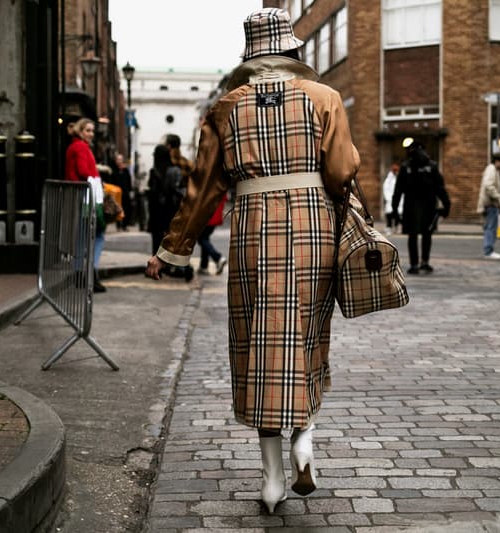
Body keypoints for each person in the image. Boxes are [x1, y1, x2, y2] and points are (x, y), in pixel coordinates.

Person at [145, 7, 360, 512]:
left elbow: (201, 189)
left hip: (253, 230)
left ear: (250, 56)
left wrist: (172, 249)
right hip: (313, 229)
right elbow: (343, 168)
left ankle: (270, 478)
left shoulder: (225, 108)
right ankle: (304, 440)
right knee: (305, 334)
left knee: (258, 342)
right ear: (291, 50)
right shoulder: (324, 97)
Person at [392, 142, 450, 274]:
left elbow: (398, 191)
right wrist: (447, 205)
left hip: (411, 206)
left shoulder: (406, 167)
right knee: (427, 234)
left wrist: (395, 209)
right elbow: (440, 189)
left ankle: (414, 264)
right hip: (429, 205)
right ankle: (425, 262)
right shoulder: (432, 166)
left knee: (413, 236)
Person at [64, 117, 106, 293]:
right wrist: (97, 176)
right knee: (97, 234)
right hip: (85, 195)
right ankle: (91, 272)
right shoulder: (81, 147)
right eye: (87, 130)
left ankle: (80, 272)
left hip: (79, 195)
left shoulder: (75, 146)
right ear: (80, 131)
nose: (91, 134)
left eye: (92, 131)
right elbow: (83, 171)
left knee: (82, 235)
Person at [477, 153, 500, 259]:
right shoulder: (492, 169)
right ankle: (489, 251)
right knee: (491, 228)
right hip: (491, 204)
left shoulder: (493, 170)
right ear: (497, 161)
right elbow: (488, 185)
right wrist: (497, 197)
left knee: (489, 227)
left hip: (489, 204)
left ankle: (489, 250)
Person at [197, 193, 228, 275]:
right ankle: (203, 266)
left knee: (201, 239)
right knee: (205, 238)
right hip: (215, 217)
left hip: (207, 216)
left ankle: (218, 258)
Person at [112, 153, 134, 230]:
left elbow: (129, 181)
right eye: (118, 159)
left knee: (126, 208)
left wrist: (130, 191)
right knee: (117, 208)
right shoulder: (113, 170)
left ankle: (125, 225)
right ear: (116, 161)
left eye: (121, 159)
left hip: (125, 193)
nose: (119, 161)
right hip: (117, 193)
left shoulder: (126, 171)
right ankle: (118, 225)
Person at [382, 162, 402, 235]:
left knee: (397, 214)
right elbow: (386, 189)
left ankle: (396, 227)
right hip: (390, 199)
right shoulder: (389, 179)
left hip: (397, 199)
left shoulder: (398, 178)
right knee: (389, 215)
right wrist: (388, 198)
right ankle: (389, 228)